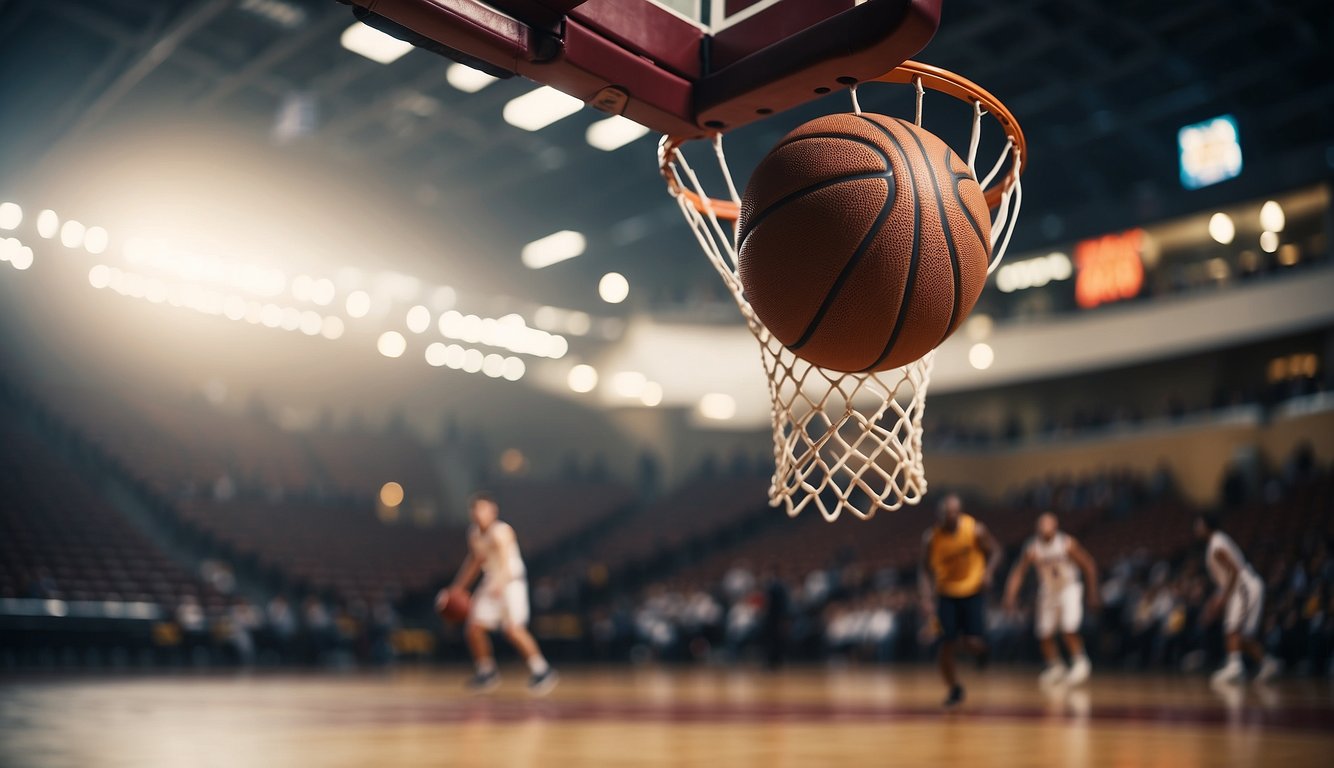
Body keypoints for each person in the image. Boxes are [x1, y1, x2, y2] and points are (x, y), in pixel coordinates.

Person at [441, 492, 557, 694]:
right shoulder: (474, 533)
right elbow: (475, 562)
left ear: (493, 511)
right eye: (476, 509)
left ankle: (542, 670)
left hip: (511, 581)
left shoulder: (501, 531)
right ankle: (487, 672)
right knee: (474, 627)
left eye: (483, 509)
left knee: (513, 629)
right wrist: (458, 587)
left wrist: (500, 583)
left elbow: (505, 560)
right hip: (492, 581)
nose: (479, 513)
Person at [920, 493, 1000, 707]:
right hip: (946, 593)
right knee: (946, 644)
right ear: (940, 514)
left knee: (972, 641)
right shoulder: (932, 538)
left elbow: (996, 552)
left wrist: (989, 572)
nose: (952, 516)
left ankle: (983, 653)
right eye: (947, 512)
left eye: (955, 512)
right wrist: (926, 597)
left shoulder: (975, 529)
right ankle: (954, 688)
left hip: (972, 590)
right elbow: (925, 570)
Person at [1003, 512, 1099, 686]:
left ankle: (1080, 662)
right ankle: (1056, 666)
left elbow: (1088, 565)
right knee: (1043, 633)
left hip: (1069, 587)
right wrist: (1010, 595)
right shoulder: (1032, 548)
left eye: (1048, 524)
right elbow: (1018, 572)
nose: (1044, 528)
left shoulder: (1066, 544)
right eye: (1042, 525)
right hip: (1048, 590)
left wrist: (1093, 593)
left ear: (1055, 527)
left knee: (1068, 627)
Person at [1195, 513, 1279, 684]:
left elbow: (1234, 571)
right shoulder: (1216, 541)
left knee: (1232, 629)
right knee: (1242, 636)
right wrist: (1219, 597)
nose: (1196, 527)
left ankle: (1235, 668)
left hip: (1243, 586)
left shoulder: (1217, 544)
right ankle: (1268, 663)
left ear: (1206, 525)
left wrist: (1223, 598)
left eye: (1199, 524)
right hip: (1243, 586)